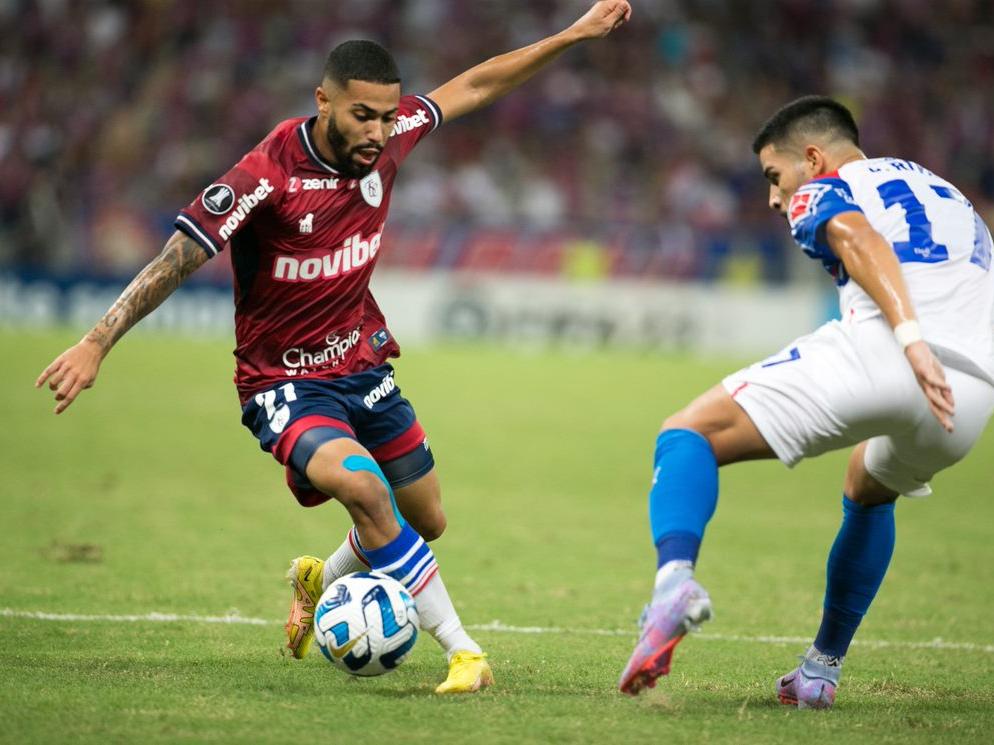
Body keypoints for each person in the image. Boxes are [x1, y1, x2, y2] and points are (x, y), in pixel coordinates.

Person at [36, 0, 632, 694]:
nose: (379, 131)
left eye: (388, 115)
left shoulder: (396, 131)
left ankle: (321, 576)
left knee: (424, 519)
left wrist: (573, 33)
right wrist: (95, 341)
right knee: (363, 488)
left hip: (361, 363)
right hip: (281, 383)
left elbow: (474, 84)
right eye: (362, 116)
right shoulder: (266, 175)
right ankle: (464, 649)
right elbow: (177, 258)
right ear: (323, 101)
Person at [618, 96, 994, 706]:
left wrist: (910, 338)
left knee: (688, 433)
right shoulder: (949, 195)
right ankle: (820, 671)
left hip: (893, 353)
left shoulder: (824, 187)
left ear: (812, 157)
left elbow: (856, 236)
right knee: (868, 488)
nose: (774, 197)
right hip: (968, 402)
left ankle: (673, 586)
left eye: (774, 176)